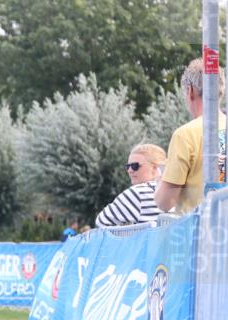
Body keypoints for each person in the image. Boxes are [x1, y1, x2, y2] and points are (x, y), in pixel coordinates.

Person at [156, 58, 226, 213]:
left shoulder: (185, 135)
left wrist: (160, 179)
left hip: (199, 232)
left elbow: (166, 202)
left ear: (190, 91)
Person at [96, 144, 166, 227]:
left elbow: (101, 222)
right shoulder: (177, 191)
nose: (130, 171)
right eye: (128, 166)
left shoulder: (138, 193)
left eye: (135, 166)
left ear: (154, 167)